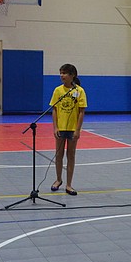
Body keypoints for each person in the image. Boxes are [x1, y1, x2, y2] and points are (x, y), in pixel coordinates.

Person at [50, 64, 87, 195]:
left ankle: (69, 184)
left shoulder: (79, 91)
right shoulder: (57, 91)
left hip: (72, 129)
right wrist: (55, 127)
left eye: (65, 73)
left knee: (70, 155)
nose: (62, 76)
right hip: (60, 128)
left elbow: (82, 112)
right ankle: (58, 180)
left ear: (72, 75)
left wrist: (77, 130)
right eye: (60, 73)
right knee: (58, 155)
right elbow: (54, 109)